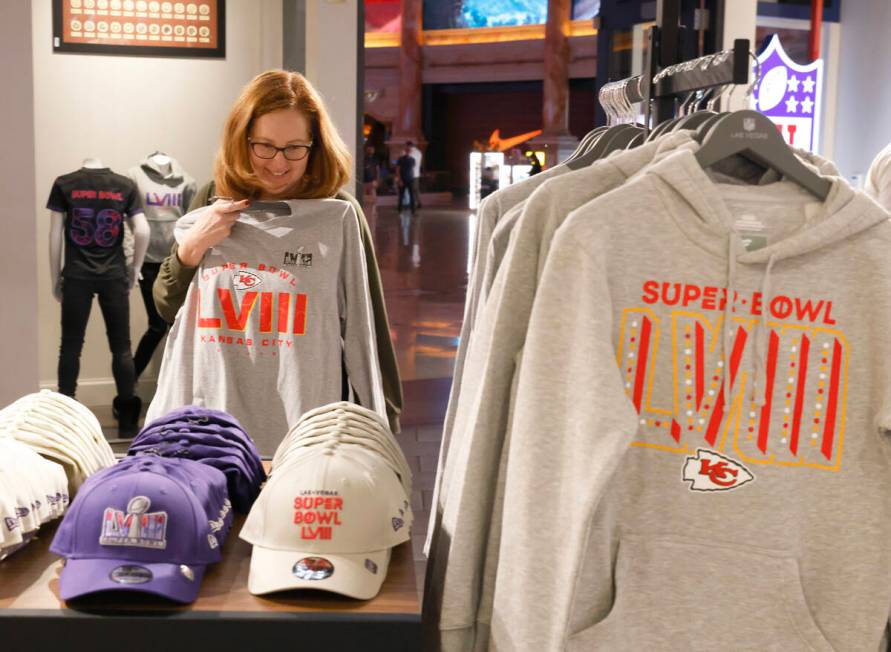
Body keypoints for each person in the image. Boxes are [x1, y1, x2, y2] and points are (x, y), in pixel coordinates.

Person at [150, 70, 403, 441]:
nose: (279, 163)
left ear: (315, 145)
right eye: (264, 146)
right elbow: (166, 306)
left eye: (295, 148)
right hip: (215, 427)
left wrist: (385, 425)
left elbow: (370, 328)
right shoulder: (212, 199)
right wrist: (192, 248)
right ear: (242, 139)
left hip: (304, 429)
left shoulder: (336, 212)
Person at [395, 146, 418, 213]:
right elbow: (397, 170)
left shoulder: (412, 160)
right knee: (401, 195)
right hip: (402, 179)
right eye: (407, 150)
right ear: (405, 151)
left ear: (411, 152)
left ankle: (413, 210)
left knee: (412, 195)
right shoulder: (401, 159)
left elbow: (412, 169)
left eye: (409, 151)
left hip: (410, 179)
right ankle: (400, 210)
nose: (408, 152)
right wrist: (399, 180)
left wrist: (413, 178)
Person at [406, 140, 423, 209]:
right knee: (416, 189)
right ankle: (418, 203)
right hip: (416, 173)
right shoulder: (419, 152)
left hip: (411, 174)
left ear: (409, 146)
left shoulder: (411, 153)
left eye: (406, 146)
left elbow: (409, 164)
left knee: (412, 189)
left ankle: (414, 204)